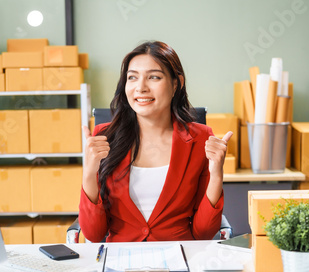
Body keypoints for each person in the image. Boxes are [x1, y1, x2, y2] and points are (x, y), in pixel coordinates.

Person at [78, 41, 232, 242]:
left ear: (176, 83)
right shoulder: (103, 138)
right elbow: (93, 235)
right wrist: (89, 173)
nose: (140, 88)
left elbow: (203, 233)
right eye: (132, 77)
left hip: (180, 260)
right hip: (121, 262)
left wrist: (216, 175)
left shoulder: (200, 139)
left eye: (154, 77)